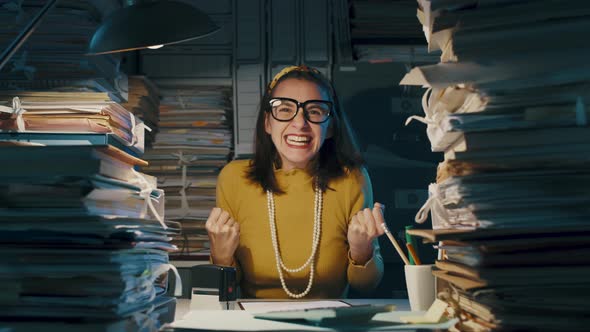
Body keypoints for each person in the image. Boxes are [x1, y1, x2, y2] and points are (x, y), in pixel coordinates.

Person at [206, 65, 385, 299]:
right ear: (268, 123)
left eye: (315, 111)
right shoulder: (233, 178)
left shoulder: (353, 178)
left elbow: (366, 285)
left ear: (330, 126)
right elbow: (220, 290)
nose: (300, 123)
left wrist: (362, 250)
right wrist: (220, 256)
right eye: (284, 109)